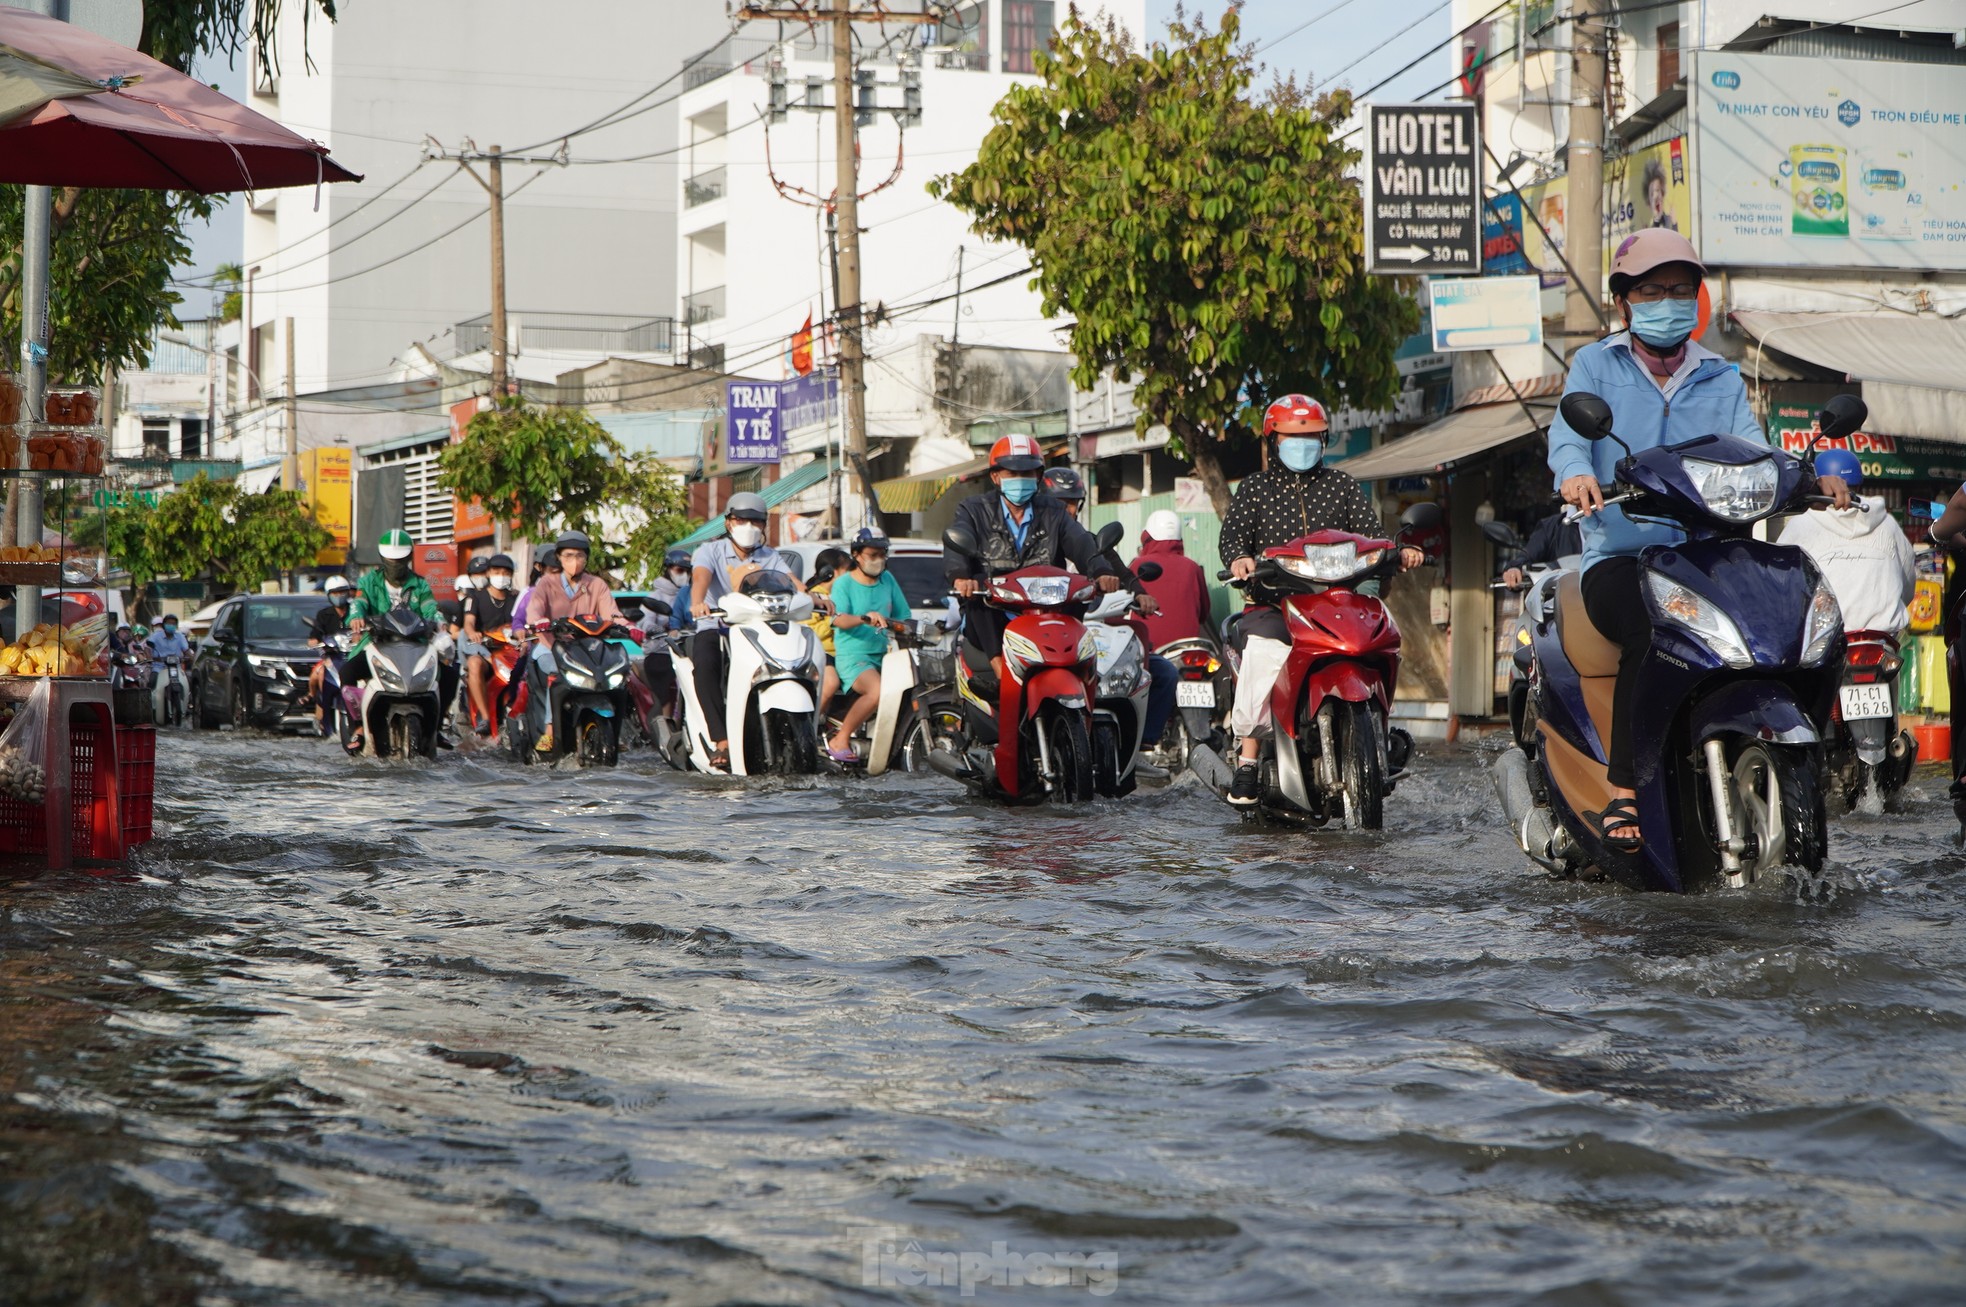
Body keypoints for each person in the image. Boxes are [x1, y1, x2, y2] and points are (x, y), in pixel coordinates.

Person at [1549, 228, 1850, 851]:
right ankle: (1627, 788)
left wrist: (1804, 474)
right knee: (1649, 627)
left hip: (1711, 555)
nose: (1669, 300)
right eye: (1654, 289)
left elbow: (1754, 445)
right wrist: (1577, 472)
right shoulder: (1595, 364)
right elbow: (1569, 435)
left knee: (1790, 619)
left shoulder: (1720, 373)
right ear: (1626, 299)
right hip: (1623, 554)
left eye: (1681, 289)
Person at [1220, 393, 1425, 806]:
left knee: (1382, 637)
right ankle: (1248, 758)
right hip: (1274, 604)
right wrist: (1241, 559)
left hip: (1336, 602)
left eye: (1313, 435)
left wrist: (1396, 551)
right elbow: (1233, 538)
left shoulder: (1342, 486)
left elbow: (1371, 536)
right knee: (1263, 653)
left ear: (1325, 438)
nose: (1304, 443)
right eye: (1294, 436)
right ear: (1273, 440)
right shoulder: (1255, 489)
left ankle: (1378, 733)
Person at [945, 434, 1118, 695]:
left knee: (1078, 594)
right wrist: (960, 577)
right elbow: (957, 541)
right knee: (980, 592)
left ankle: (1081, 674)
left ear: (1038, 476)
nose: (1020, 479)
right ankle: (1002, 674)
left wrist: (1101, 571)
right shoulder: (972, 509)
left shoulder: (1054, 511)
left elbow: (1081, 543)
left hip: (1047, 608)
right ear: (995, 477)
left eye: (1027, 472)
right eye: (1012, 473)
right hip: (998, 606)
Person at [1042, 466, 1176, 778]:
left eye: (1073, 502)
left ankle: (1139, 746)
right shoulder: (1036, 550)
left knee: (1162, 672)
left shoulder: (1091, 544)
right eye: (1059, 502)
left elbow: (1124, 575)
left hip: (1096, 633)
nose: (1067, 510)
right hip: (1053, 637)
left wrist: (1141, 595)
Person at [688, 493, 822, 770]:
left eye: (756, 521)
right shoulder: (709, 551)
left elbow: (793, 582)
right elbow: (701, 578)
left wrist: (814, 597)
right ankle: (721, 740)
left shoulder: (769, 555)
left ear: (763, 526)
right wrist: (697, 603)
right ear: (728, 523)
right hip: (718, 625)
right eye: (741, 519)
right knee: (705, 662)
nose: (748, 525)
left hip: (757, 628)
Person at [1779, 450, 1913, 637]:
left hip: (1824, 640)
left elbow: (1783, 587)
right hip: (1881, 640)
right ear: (1859, 484)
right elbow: (1907, 584)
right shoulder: (1888, 524)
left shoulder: (1799, 524)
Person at [525, 530, 626, 754]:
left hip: (588, 651)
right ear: (559, 557)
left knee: (619, 678)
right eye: (569, 555)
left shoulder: (597, 584)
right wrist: (538, 621)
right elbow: (535, 610)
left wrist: (628, 626)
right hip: (550, 646)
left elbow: (612, 613)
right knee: (555, 673)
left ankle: (617, 731)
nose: (575, 561)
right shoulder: (546, 584)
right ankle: (550, 729)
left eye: (580, 556)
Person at [343, 529, 444, 752]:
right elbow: (358, 603)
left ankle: (438, 726)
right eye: (391, 559)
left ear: (409, 558)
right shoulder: (369, 581)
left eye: (400, 559)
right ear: (382, 558)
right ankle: (358, 727)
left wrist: (438, 620)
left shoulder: (420, 584)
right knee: (347, 672)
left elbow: (430, 608)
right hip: (378, 644)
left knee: (449, 671)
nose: (395, 563)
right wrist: (357, 617)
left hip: (415, 646)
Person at [823, 530, 913, 763]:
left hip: (883, 655)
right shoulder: (843, 584)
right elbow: (838, 620)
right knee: (877, 691)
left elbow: (903, 616)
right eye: (873, 554)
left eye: (883, 554)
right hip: (854, 656)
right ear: (857, 555)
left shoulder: (887, 579)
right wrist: (864, 618)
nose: (878, 560)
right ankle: (840, 738)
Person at [1134, 510, 1212, 648]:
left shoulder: (1137, 566)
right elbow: (1204, 613)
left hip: (1147, 648)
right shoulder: (1192, 567)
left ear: (1146, 538)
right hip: (1187, 648)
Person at [462, 553, 518, 735]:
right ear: (488, 573)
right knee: (473, 664)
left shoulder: (516, 599)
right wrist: (473, 633)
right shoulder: (475, 597)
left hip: (512, 653)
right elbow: (469, 622)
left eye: (506, 572)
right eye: (496, 571)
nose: (501, 575)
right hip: (487, 652)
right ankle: (485, 717)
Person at [806, 546, 853, 707]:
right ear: (829, 573)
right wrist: (833, 621)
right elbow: (812, 631)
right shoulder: (813, 597)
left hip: (845, 652)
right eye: (847, 570)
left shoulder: (845, 595)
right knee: (831, 683)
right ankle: (815, 721)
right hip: (822, 652)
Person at [307, 576, 354, 734]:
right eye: (335, 593)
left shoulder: (356, 611)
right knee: (320, 675)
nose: (339, 595)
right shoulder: (324, 615)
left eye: (342, 592)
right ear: (328, 595)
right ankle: (320, 706)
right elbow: (314, 637)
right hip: (331, 658)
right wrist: (316, 643)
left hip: (352, 657)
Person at [1498, 510, 1584, 589]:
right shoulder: (1550, 527)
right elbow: (1528, 555)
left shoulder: (1597, 526)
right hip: (1565, 599)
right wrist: (1515, 569)